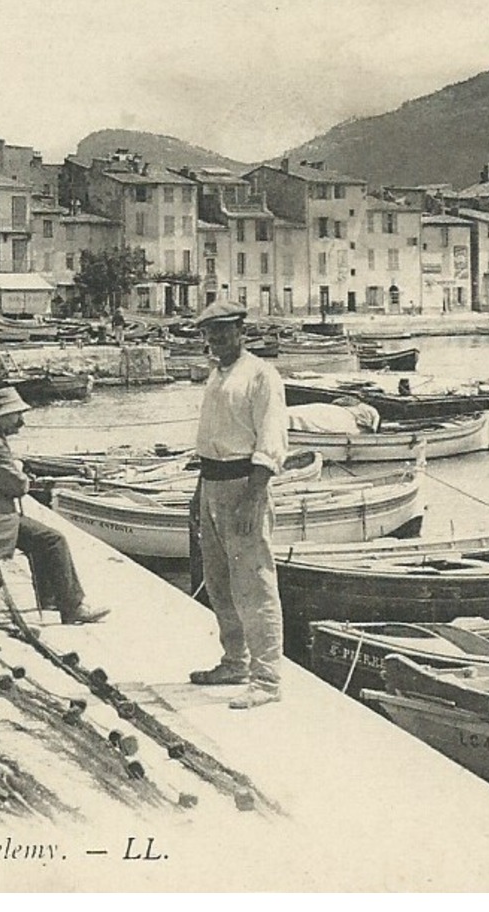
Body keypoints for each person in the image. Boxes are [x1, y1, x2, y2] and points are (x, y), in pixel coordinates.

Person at [188, 299, 289, 709]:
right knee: (219, 582)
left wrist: (253, 497)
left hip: (243, 486)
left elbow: (270, 441)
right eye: (211, 334)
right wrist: (198, 495)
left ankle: (266, 680)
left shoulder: (262, 376)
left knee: (255, 584)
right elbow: (209, 442)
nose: (217, 340)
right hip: (212, 485)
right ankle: (235, 661)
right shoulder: (217, 375)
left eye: (224, 332)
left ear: (241, 332)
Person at [0, 387, 109, 625]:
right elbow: (17, 487)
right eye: (17, 414)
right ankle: (72, 607)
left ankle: (53, 600)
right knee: (53, 539)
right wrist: (22, 476)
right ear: (2, 416)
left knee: (40, 539)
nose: (21, 421)